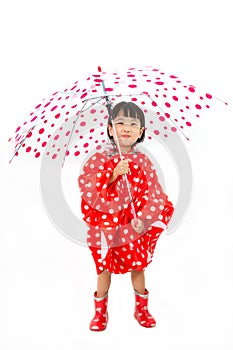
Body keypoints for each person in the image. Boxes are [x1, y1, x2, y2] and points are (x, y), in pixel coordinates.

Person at [78, 101, 174, 331]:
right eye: (120, 122)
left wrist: (145, 218)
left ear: (141, 131)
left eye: (133, 124)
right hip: (107, 225)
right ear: (111, 128)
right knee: (103, 268)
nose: (126, 128)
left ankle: (141, 309)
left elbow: (154, 192)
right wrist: (113, 173)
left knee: (138, 266)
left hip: (134, 224)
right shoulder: (99, 158)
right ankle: (100, 312)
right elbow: (89, 189)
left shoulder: (143, 161)